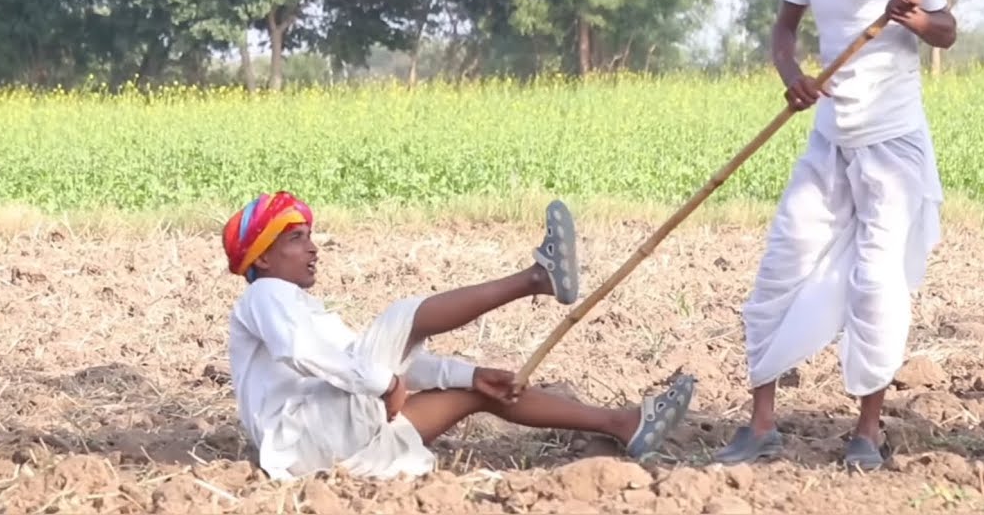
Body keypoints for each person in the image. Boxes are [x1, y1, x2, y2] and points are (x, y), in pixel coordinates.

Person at [713, 0, 957, 471]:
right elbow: (783, 35)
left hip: (892, 147)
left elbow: (948, 31)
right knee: (779, 268)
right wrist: (791, 74)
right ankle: (761, 425)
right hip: (829, 140)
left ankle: (867, 433)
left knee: (876, 283)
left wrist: (912, 19)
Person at [221, 191, 696, 481]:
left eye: (309, 235)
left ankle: (622, 424)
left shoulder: (302, 310)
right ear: (262, 259)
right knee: (402, 316)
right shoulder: (264, 295)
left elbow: (376, 363)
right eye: (296, 238)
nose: (313, 247)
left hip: (322, 451)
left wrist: (470, 372)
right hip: (305, 434)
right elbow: (310, 354)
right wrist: (384, 385)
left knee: (478, 393)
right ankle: (537, 278)